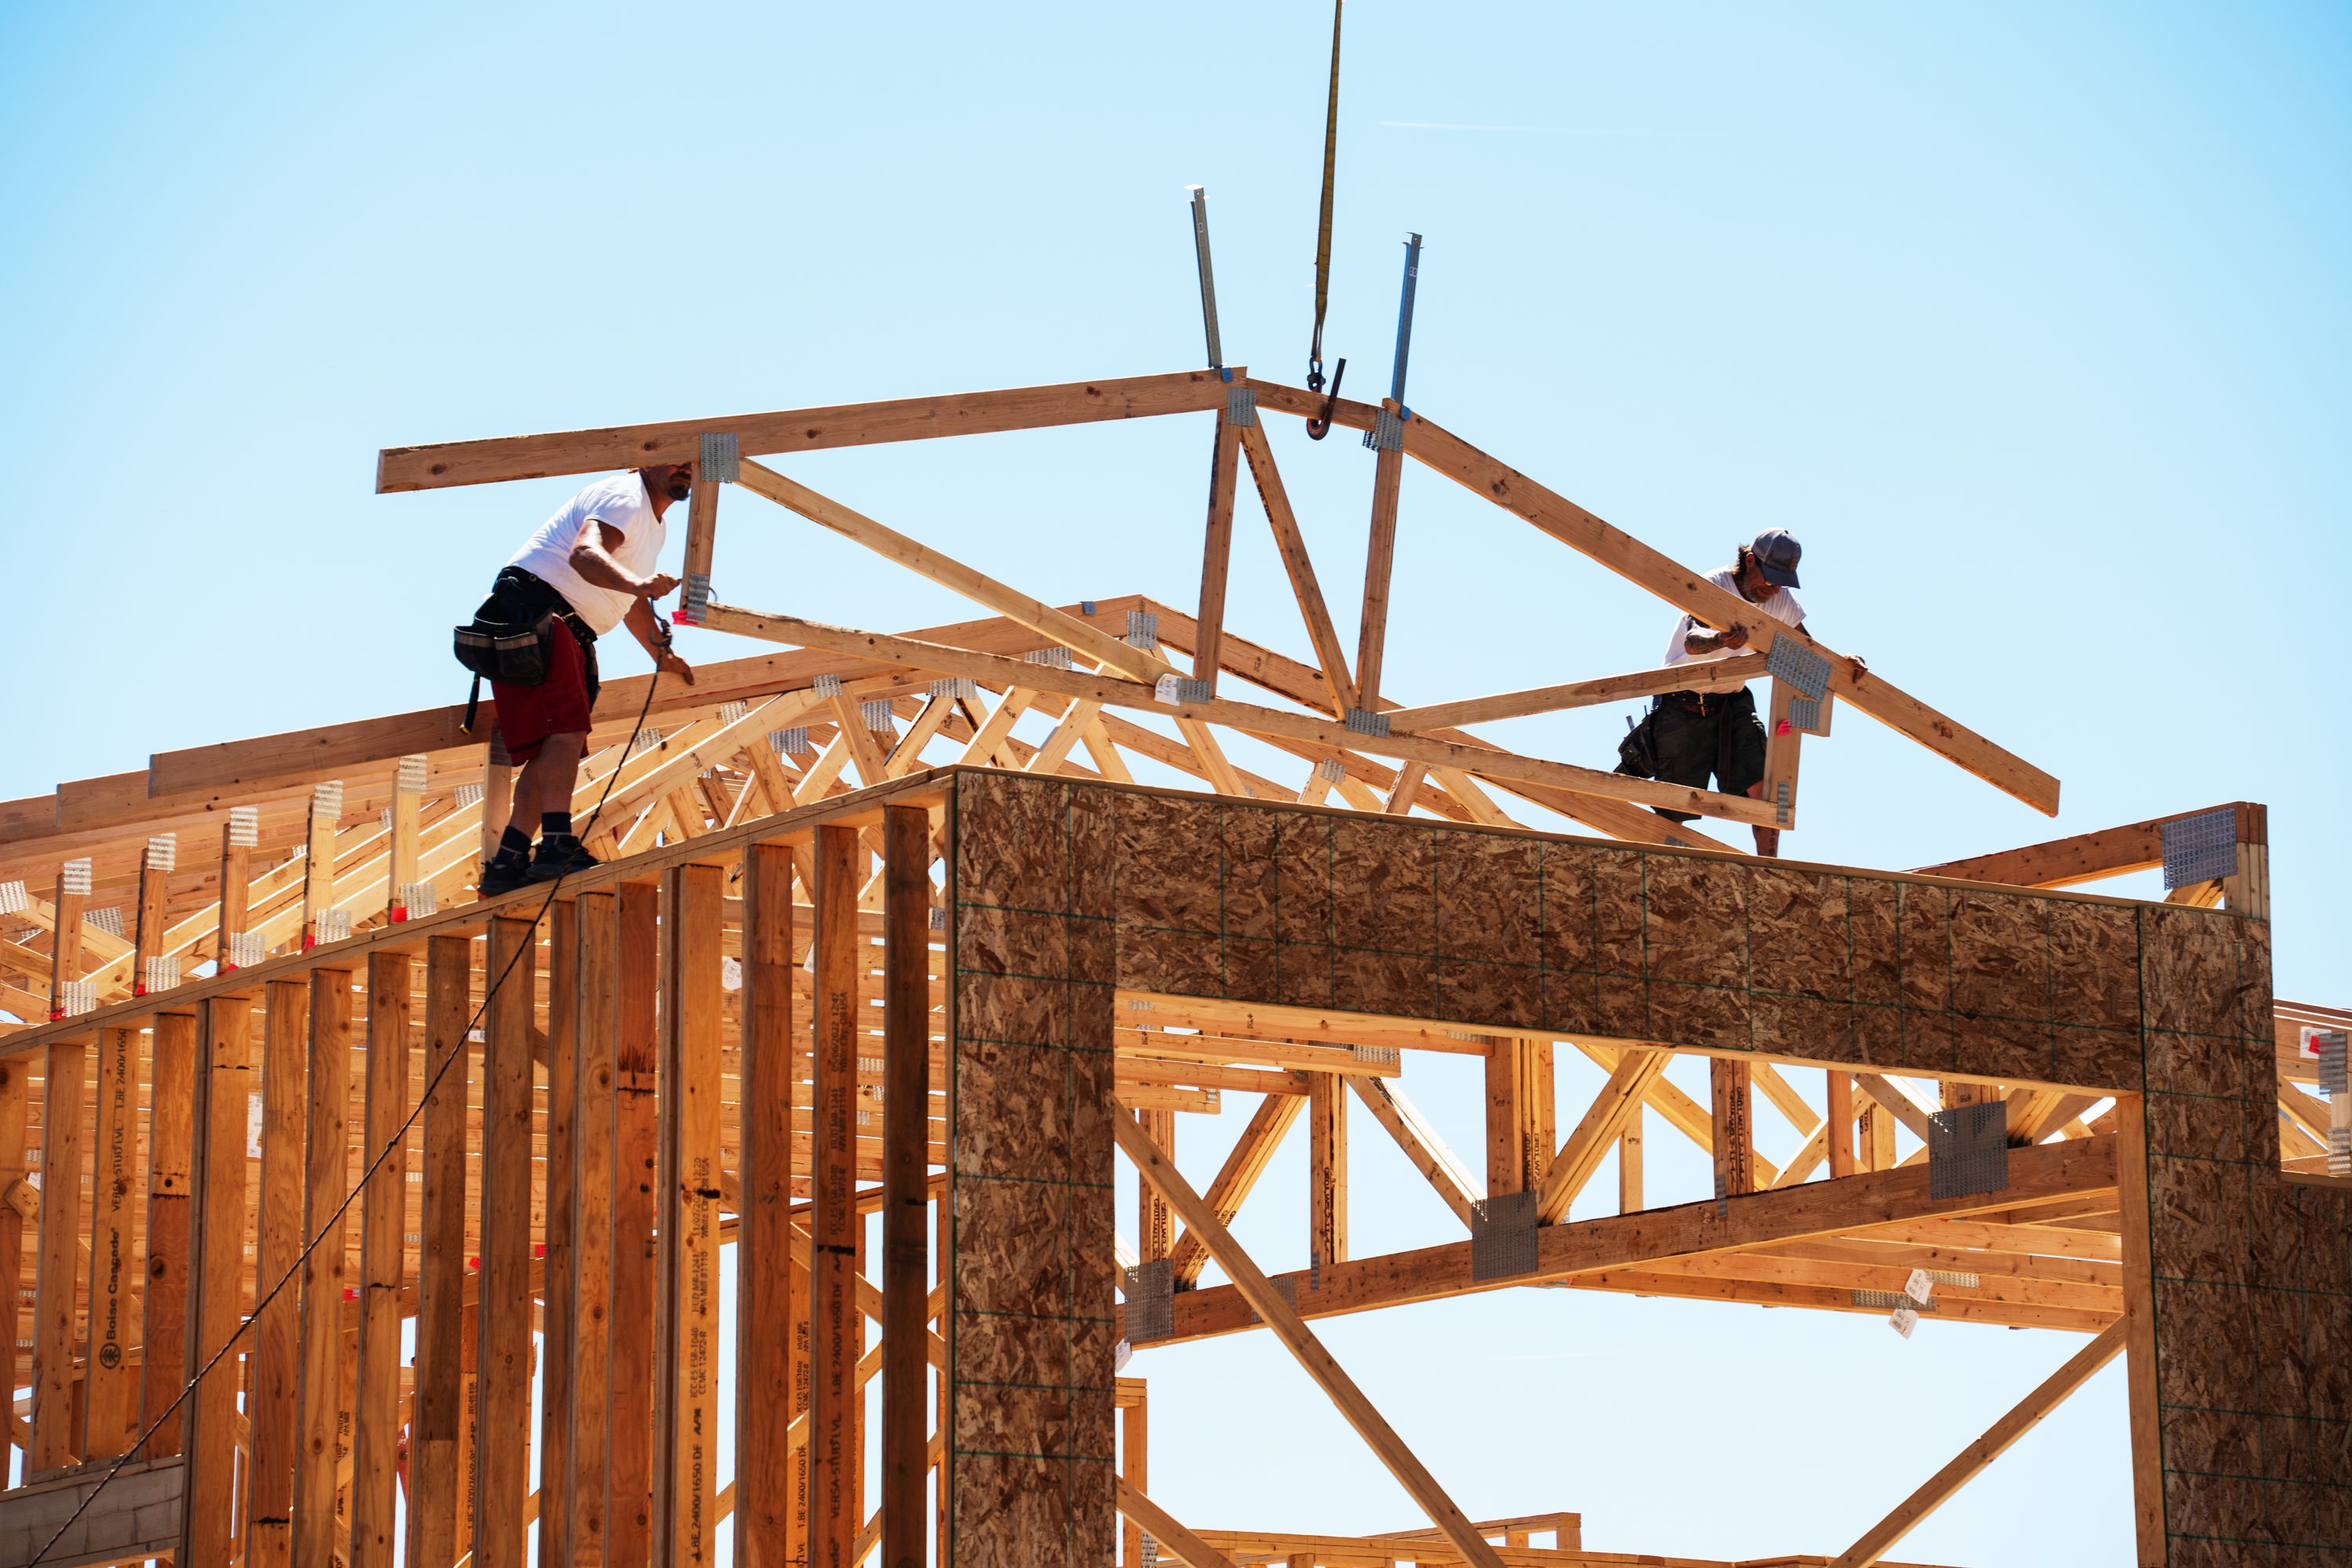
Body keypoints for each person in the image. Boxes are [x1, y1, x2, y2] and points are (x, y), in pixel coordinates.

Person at [476, 463, 698, 894]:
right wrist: (639, 582)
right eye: (676, 454)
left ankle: (509, 861)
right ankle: (557, 845)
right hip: (541, 612)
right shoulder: (626, 497)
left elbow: (628, 598)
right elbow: (584, 555)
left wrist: (660, 654)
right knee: (566, 731)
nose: (686, 466)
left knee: (555, 742)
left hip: (554, 621)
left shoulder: (654, 524)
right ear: (648, 459)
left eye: (693, 459)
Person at [1629, 528, 1859, 857]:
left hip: (1732, 702)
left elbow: (1807, 649)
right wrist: (1721, 640)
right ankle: (1666, 870)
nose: (1774, 588)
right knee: (1675, 803)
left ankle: (1768, 867)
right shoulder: (1714, 586)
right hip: (1683, 704)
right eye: (1770, 579)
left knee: (1764, 787)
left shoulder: (1779, 600)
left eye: (1782, 582)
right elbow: (1692, 642)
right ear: (1750, 561)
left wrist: (1841, 662)